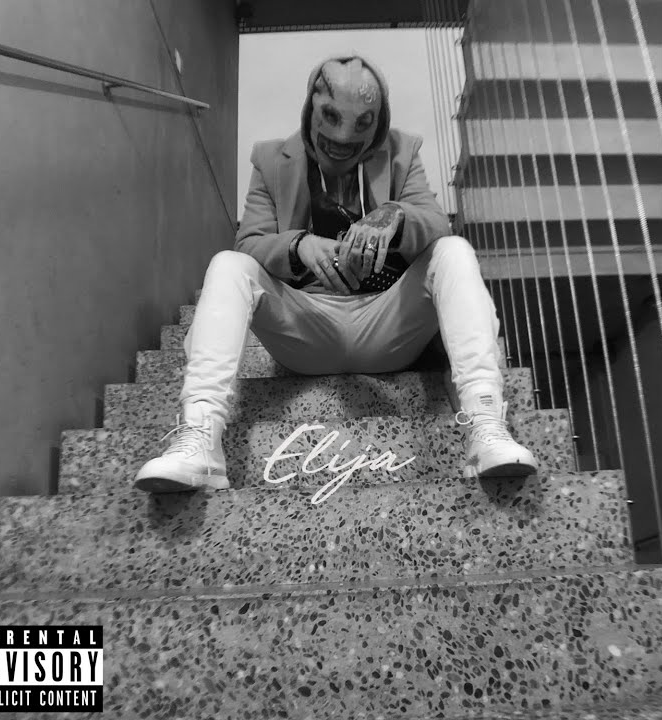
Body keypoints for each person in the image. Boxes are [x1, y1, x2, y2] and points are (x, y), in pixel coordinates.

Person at [133, 55, 537, 493]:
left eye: (362, 124)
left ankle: (485, 423)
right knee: (228, 265)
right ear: (311, 110)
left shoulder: (403, 153)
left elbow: (437, 224)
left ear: (378, 124)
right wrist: (299, 245)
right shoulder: (270, 160)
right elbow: (248, 242)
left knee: (453, 250)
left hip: (388, 326)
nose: (343, 139)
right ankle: (200, 438)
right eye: (330, 118)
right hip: (305, 329)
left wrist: (394, 214)